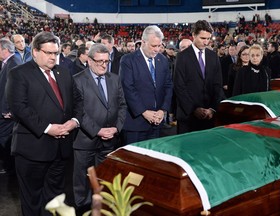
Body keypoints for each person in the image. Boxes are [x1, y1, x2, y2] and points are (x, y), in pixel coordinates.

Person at [5, 31, 83, 216]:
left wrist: (74, 121)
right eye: (48, 53)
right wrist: (48, 128)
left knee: (55, 199)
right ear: (35, 52)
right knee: (32, 200)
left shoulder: (63, 72)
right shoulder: (18, 73)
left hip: (61, 148)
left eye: (55, 53)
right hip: (32, 149)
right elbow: (19, 108)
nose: (53, 57)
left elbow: (78, 101)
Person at [73, 43, 126, 214]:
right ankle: (83, 210)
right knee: (83, 182)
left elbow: (122, 106)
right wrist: (98, 131)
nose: (104, 65)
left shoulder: (115, 78)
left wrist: (116, 128)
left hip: (110, 139)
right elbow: (79, 112)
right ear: (89, 61)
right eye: (99, 61)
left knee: (105, 179)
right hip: (85, 140)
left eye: (107, 61)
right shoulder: (77, 80)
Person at [120, 25, 173, 145]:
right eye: (153, 46)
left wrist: (163, 110)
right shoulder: (128, 60)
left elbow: (168, 86)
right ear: (143, 42)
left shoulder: (163, 60)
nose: (157, 49)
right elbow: (128, 88)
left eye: (159, 46)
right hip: (136, 123)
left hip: (157, 122)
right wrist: (144, 112)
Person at [174, 20, 225, 134]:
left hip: (209, 117)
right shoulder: (182, 57)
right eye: (202, 38)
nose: (206, 42)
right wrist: (194, 109)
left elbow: (218, 85)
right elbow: (179, 87)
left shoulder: (213, 56)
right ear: (193, 35)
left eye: (208, 38)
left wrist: (212, 109)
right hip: (188, 118)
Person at [0, 39, 22, 174]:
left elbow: (13, 89)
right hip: (5, 110)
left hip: (7, 112)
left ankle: (9, 166)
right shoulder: (8, 62)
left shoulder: (13, 63)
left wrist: (8, 109)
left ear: (5, 50)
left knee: (5, 138)